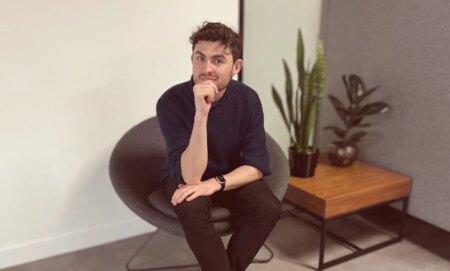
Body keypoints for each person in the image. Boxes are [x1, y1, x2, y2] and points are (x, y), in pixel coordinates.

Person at [156, 21, 281, 271]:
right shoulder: (171, 101)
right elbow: (191, 176)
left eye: (217, 60)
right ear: (191, 60)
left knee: (268, 208)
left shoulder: (247, 99)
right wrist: (201, 115)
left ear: (236, 66)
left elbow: (256, 165)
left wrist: (216, 183)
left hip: (227, 173)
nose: (206, 68)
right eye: (200, 58)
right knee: (191, 207)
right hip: (184, 172)